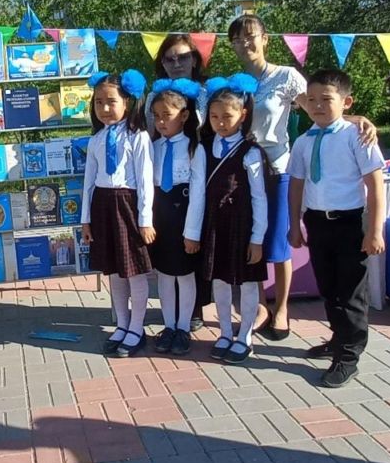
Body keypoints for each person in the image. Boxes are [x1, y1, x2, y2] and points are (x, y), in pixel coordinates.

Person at [228, 14, 376, 342]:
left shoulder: (286, 76)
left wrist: (356, 118)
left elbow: (319, 109)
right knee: (250, 239)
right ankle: (259, 307)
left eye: (250, 36)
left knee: (278, 242)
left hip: (278, 169)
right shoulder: (234, 82)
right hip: (244, 173)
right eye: (237, 39)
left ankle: (282, 309)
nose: (245, 43)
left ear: (265, 39)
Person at [288, 69, 386, 388]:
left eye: (326, 99)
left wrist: (374, 230)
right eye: (311, 99)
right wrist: (295, 225)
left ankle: (348, 356)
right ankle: (338, 337)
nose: (317, 105)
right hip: (318, 222)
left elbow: (375, 185)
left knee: (351, 292)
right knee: (329, 287)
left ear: (346, 102)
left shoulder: (357, 136)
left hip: (350, 223)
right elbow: (296, 185)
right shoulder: (303, 141)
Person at [81, 70, 155, 358]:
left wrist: (145, 220)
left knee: (133, 270)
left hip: (127, 205)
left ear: (127, 101)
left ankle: (137, 327)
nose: (104, 108)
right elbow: (89, 182)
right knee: (114, 270)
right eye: (98, 102)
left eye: (111, 101)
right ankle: (122, 324)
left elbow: (146, 181)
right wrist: (86, 219)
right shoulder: (96, 140)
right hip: (103, 206)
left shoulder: (138, 137)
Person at [200, 74, 269, 365]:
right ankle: (226, 332)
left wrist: (257, 238)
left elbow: (260, 198)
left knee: (248, 283)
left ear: (243, 114)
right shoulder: (206, 148)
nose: (220, 122)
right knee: (220, 280)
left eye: (227, 116)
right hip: (217, 226)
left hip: (243, 226)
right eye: (214, 116)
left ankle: (245, 336)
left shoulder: (250, 152)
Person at [146, 79, 205, 357]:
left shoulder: (195, 148)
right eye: (156, 116)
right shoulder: (154, 146)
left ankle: (183, 327)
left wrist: (192, 232)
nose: (160, 122)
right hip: (161, 217)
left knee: (185, 274)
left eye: (166, 115)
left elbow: (198, 193)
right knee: (165, 274)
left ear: (183, 116)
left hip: (184, 216)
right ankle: (168, 325)